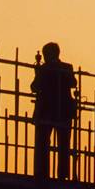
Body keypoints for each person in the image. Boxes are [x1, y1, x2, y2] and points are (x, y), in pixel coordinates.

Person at [30, 41, 77, 180]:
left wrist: (39, 72)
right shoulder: (67, 67)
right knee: (64, 145)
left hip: (46, 111)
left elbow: (34, 87)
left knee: (42, 143)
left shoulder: (45, 69)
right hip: (64, 111)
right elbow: (73, 83)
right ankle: (63, 176)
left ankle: (42, 174)